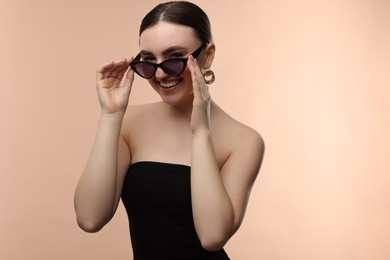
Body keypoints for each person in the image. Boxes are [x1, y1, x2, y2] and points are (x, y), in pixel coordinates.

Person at [74, 1, 265, 259]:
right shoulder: (129, 122)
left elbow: (212, 236)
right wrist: (111, 115)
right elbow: (89, 218)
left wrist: (201, 133)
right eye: (149, 60)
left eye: (174, 57)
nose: (161, 74)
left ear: (207, 55)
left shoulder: (244, 141)